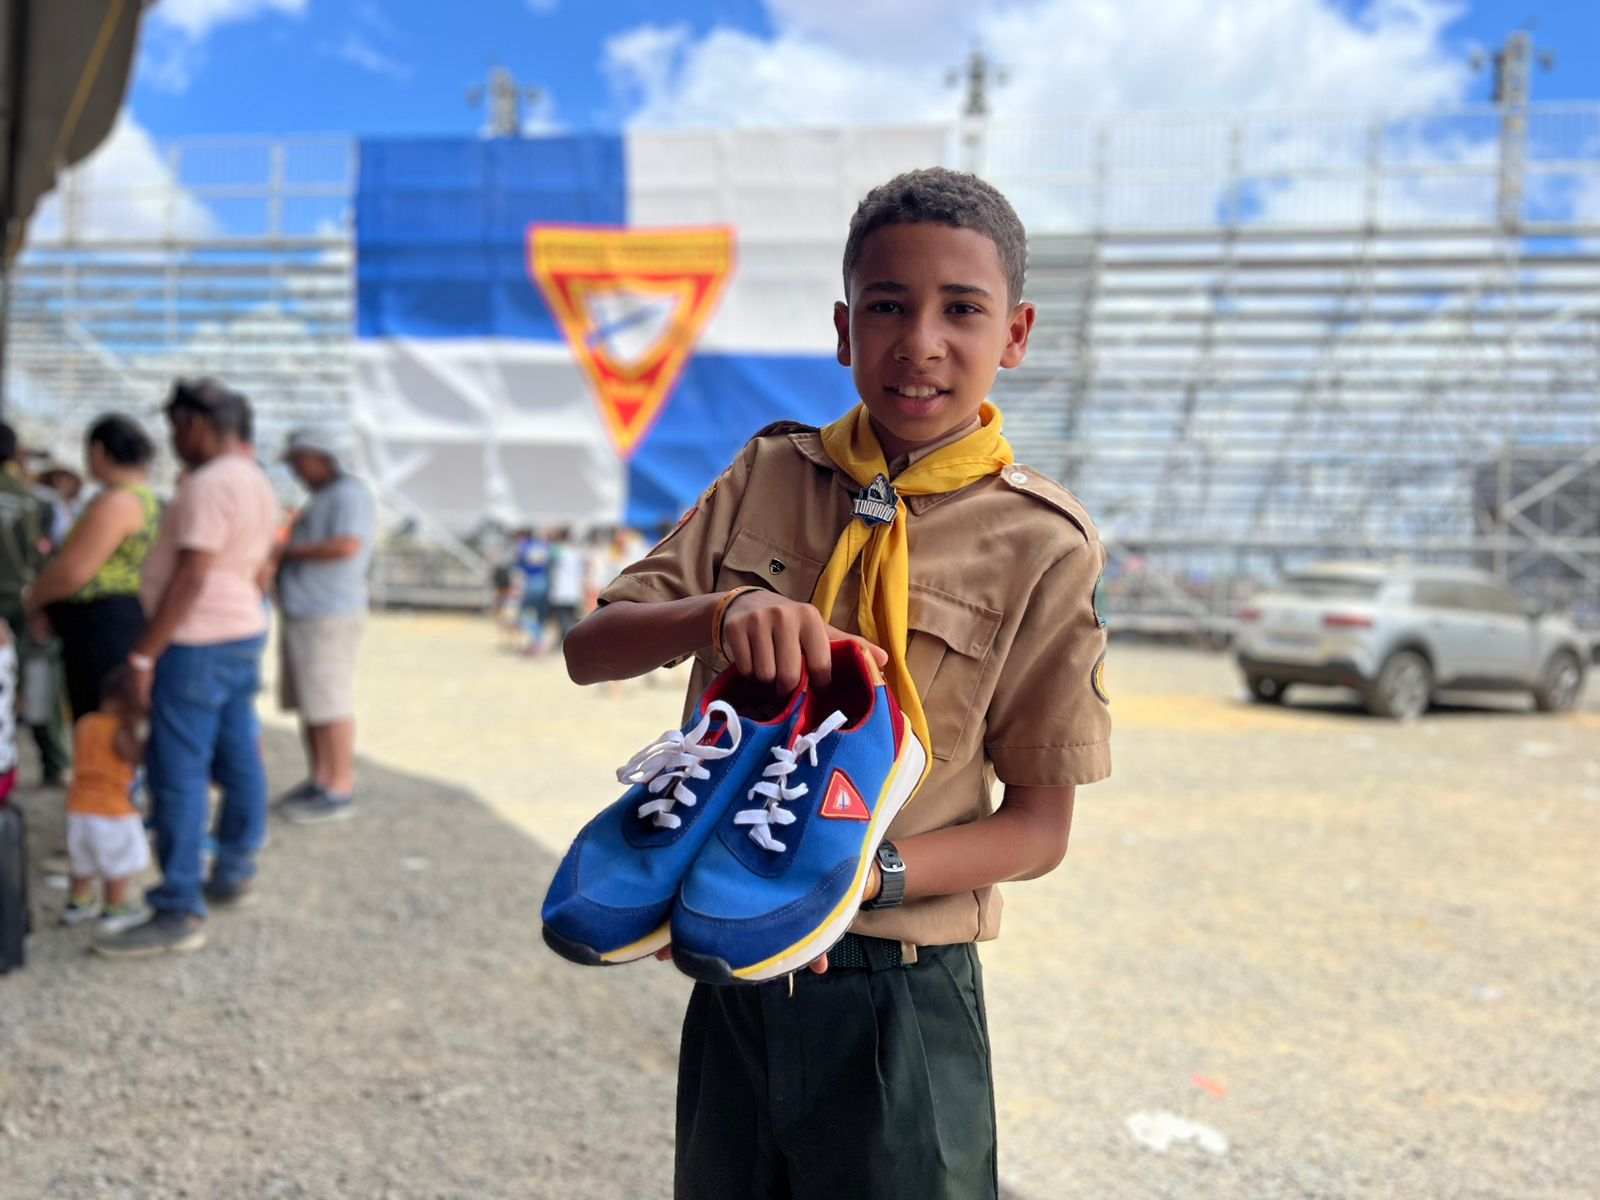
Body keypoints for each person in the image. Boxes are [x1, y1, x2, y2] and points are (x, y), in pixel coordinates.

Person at [563, 167, 1112, 1198]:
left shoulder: (1042, 545)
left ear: (1018, 333)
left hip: (896, 1004)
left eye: (962, 310)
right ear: (842, 328)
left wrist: (851, 881)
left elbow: (1038, 829)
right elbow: (589, 646)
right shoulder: (767, 476)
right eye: (887, 307)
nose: (920, 342)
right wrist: (714, 615)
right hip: (731, 970)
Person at [95, 379, 278, 958]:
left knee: (177, 772)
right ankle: (234, 867)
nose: (173, 441)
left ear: (195, 422)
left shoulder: (207, 483)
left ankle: (178, 906)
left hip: (196, 641)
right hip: (241, 630)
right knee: (238, 753)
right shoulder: (256, 479)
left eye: (175, 428)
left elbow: (192, 574)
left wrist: (144, 653)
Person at [25, 415, 160, 721]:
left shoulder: (119, 503)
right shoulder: (146, 499)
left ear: (99, 451)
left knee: (97, 723)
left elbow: (74, 572)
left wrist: (32, 600)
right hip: (120, 622)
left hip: (101, 628)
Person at [272, 427, 375, 825]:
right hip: (309, 610)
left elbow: (347, 545)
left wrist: (286, 549)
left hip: (328, 612)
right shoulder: (326, 496)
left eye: (299, 462)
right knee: (312, 702)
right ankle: (320, 777)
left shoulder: (349, 494)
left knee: (329, 702)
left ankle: (337, 786)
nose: (297, 471)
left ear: (318, 456)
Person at [0, 422, 70, 785]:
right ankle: (54, 761)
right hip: (27, 600)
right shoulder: (40, 501)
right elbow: (55, 550)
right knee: (39, 677)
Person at [61, 668, 151, 935]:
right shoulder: (120, 730)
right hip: (112, 810)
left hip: (79, 807)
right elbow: (135, 758)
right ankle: (114, 908)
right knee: (119, 863)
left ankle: (77, 904)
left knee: (83, 860)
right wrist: (140, 731)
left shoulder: (86, 723)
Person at [513, 527, 552, 655]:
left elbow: (517, 568)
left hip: (531, 582)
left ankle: (538, 640)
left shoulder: (523, 547)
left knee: (523, 614)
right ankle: (540, 640)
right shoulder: (543, 546)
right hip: (544, 582)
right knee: (540, 615)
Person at [546, 528, 586, 643]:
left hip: (561, 590)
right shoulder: (576, 551)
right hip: (574, 590)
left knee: (564, 618)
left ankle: (570, 641)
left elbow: (548, 564)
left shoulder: (557, 550)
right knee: (570, 616)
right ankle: (563, 640)